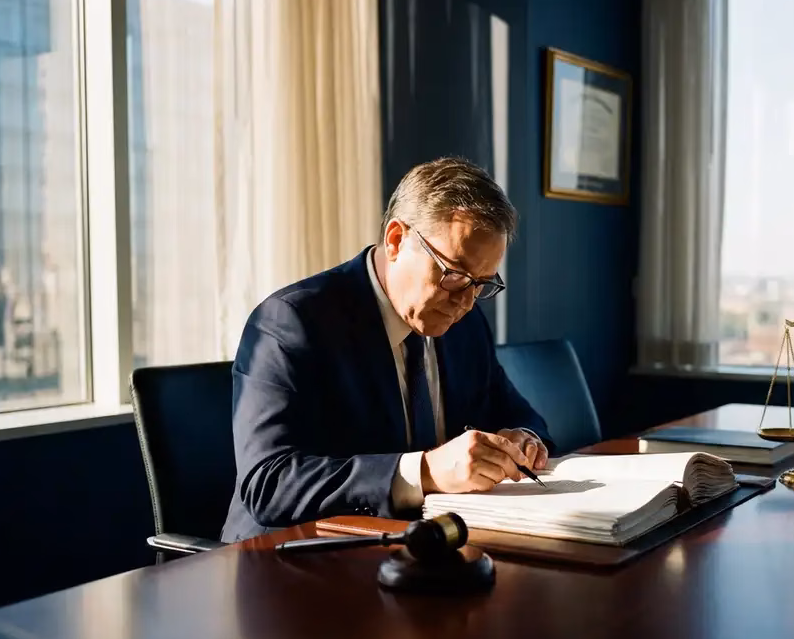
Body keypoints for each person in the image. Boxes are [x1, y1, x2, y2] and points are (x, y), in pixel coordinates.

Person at [221, 157, 553, 541]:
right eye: (454, 275)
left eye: (481, 283)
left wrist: (523, 439)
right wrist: (424, 472)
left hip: (417, 548)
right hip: (288, 559)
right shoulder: (292, 322)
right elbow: (269, 484)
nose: (466, 300)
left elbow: (520, 413)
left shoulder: (466, 323)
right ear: (396, 240)